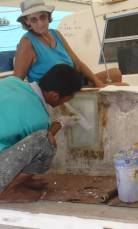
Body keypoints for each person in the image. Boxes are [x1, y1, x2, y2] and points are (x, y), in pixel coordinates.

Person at [0, 64, 83, 193]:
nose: (66, 102)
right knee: (45, 143)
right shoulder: (40, 119)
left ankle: (20, 182)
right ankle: (9, 190)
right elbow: (39, 142)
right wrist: (60, 123)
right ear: (55, 96)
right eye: (68, 99)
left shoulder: (12, 81)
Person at [13, 0, 122, 87]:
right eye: (34, 20)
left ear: (48, 16)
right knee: (123, 86)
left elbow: (78, 63)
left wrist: (97, 82)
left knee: (115, 73)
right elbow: (17, 82)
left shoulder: (56, 34)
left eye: (43, 17)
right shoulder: (27, 43)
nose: (40, 23)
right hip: (59, 91)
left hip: (75, 80)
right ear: (27, 22)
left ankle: (89, 83)